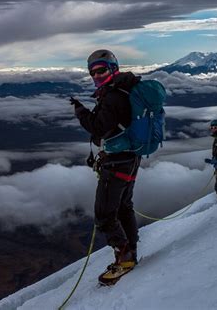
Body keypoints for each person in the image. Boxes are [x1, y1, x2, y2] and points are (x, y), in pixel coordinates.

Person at [70, 49, 141, 283]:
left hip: (117, 161)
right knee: (123, 207)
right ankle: (131, 251)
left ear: (113, 68)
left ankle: (126, 257)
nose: (97, 75)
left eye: (101, 70)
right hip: (131, 157)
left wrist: (81, 112)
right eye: (93, 72)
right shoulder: (125, 89)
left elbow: (98, 128)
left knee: (104, 215)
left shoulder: (112, 96)